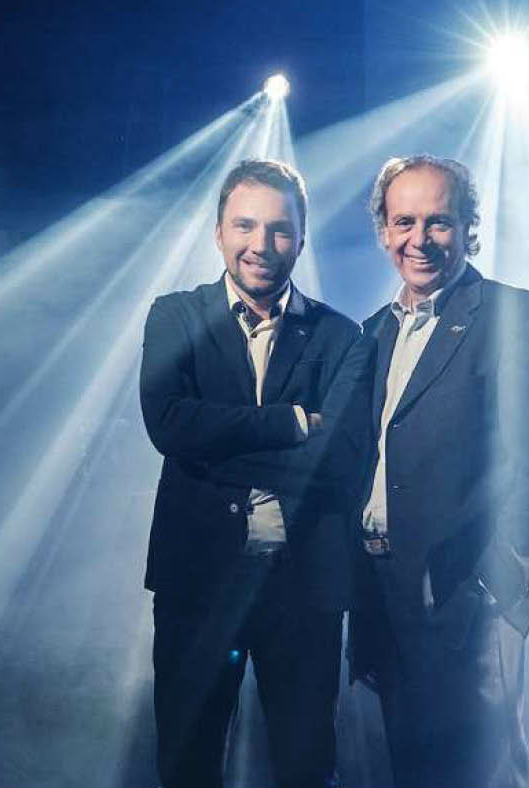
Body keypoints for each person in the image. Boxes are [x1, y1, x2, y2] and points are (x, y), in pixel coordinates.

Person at [140, 158, 373, 788]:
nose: (261, 245)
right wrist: (294, 423)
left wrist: (213, 443)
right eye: (245, 225)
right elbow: (169, 425)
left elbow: (341, 460)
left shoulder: (342, 336)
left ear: (301, 237)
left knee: (306, 766)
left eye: (279, 229)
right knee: (187, 766)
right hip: (197, 581)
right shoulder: (174, 316)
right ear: (219, 231)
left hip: (303, 587)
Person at [350, 154, 529, 787]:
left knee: (480, 774)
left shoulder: (515, 315)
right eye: (404, 222)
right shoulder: (370, 334)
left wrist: (494, 580)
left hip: (470, 599)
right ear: (384, 231)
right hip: (382, 595)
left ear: (469, 228)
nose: (419, 239)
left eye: (439, 221)